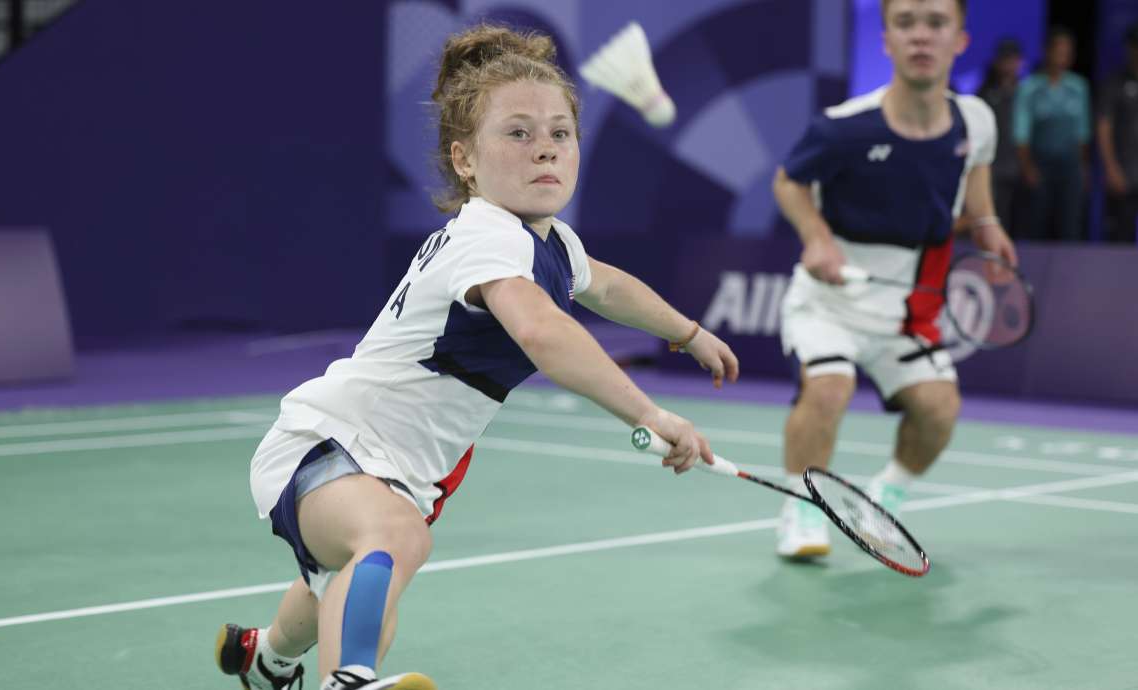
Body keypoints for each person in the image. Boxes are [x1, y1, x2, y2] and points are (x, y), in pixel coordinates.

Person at [213, 23, 740, 690]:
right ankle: (347, 682)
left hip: (394, 466)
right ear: (464, 160)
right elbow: (542, 332)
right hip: (330, 443)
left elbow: (606, 287)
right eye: (518, 133)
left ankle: (265, 658)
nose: (545, 148)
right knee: (394, 540)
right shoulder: (488, 237)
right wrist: (648, 412)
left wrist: (688, 332)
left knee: (356, 575)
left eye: (560, 133)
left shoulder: (548, 241)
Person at [770, 0, 1018, 559]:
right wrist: (816, 236)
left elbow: (976, 169)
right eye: (905, 23)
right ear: (886, 41)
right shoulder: (844, 126)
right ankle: (802, 509)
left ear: (960, 40)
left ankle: (885, 497)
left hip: (909, 308)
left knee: (939, 409)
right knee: (828, 387)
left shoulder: (975, 119)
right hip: (831, 299)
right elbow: (788, 181)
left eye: (936, 23)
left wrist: (987, 224)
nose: (921, 36)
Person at [1013, 26, 1091, 242]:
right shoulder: (1030, 87)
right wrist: (1028, 167)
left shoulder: (1079, 87)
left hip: (1070, 165)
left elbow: (1083, 132)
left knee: (1070, 225)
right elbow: (1021, 132)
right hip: (1040, 164)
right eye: (1059, 51)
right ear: (1047, 51)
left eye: (1068, 52)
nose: (1063, 57)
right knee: (1037, 224)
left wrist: (1084, 168)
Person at [976, 38, 1025, 235]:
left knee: (1022, 218)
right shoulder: (985, 92)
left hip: (1021, 164)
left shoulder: (1025, 92)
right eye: (1005, 59)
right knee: (996, 215)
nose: (1009, 65)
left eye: (1013, 59)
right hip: (993, 165)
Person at [1097, 23, 1138, 245]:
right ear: (1129, 49)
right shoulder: (1114, 83)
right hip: (1124, 173)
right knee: (1120, 237)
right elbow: (1104, 127)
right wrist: (1111, 168)